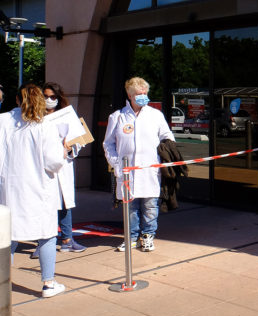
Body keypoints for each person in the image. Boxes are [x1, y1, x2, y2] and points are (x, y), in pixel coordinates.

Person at [0, 84, 69, 298]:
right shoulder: (45, 126)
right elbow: (54, 162)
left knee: (8, 235)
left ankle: (1, 282)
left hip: (9, 186)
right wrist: (64, 151)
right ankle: (48, 283)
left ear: (18, 100)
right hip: (39, 187)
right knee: (46, 234)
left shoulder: (3, 121)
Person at [104, 77, 174, 252]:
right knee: (130, 208)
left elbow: (168, 136)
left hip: (150, 170)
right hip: (126, 171)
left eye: (145, 93)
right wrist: (116, 164)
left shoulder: (155, 115)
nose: (143, 96)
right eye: (139, 93)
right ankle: (131, 238)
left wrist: (165, 153)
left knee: (150, 206)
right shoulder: (118, 116)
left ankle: (148, 236)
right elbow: (108, 144)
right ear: (130, 95)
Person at [30, 83, 87, 258]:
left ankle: (67, 240)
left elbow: (79, 140)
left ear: (58, 98)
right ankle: (43, 243)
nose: (49, 100)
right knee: (45, 205)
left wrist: (70, 147)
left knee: (64, 203)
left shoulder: (67, 116)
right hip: (43, 167)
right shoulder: (35, 118)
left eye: (53, 97)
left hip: (63, 165)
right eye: (46, 96)